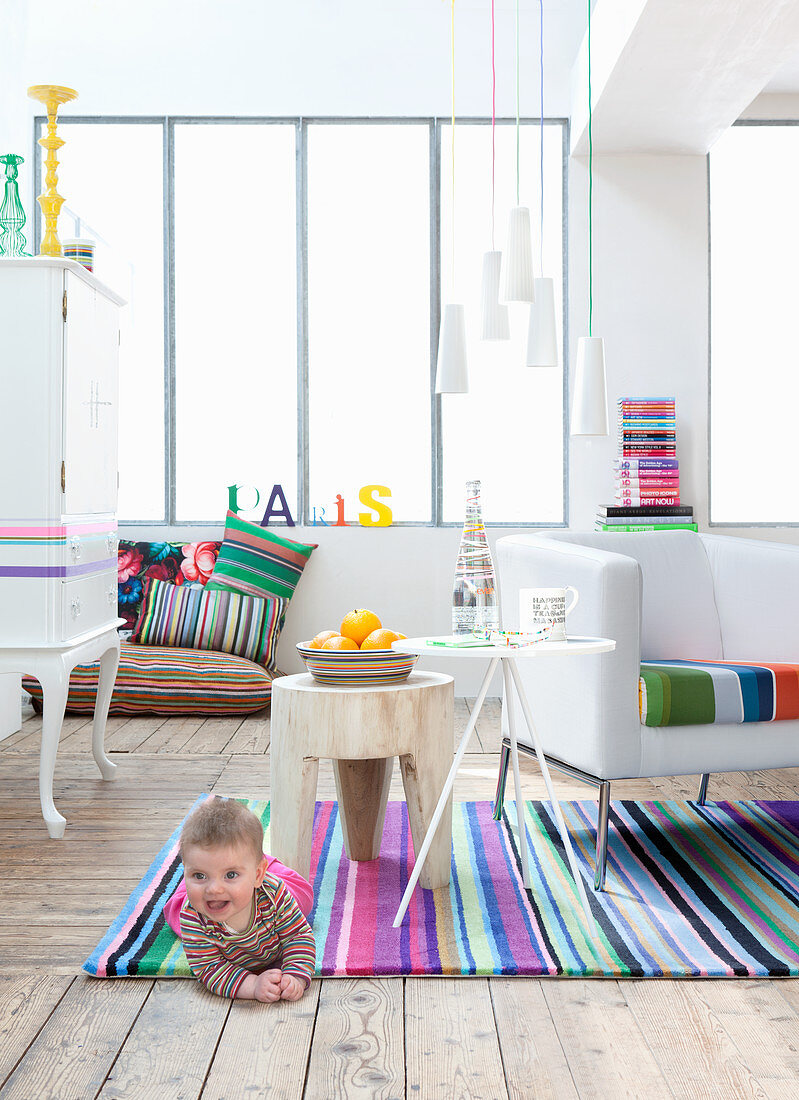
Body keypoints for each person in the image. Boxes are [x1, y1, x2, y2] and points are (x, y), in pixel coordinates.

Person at [174, 795, 315, 1001]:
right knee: (174, 911)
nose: (214, 889)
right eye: (199, 875)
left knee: (304, 896)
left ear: (258, 875)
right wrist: (253, 985)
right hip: (220, 896)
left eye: (230, 875)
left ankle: (268, 864)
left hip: (271, 887)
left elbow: (298, 937)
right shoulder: (193, 916)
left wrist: (296, 976)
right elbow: (211, 969)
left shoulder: (274, 893)